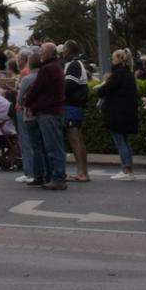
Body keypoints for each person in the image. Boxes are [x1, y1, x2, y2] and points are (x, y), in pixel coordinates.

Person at [23, 42, 67, 190]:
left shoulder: (48, 69)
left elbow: (36, 90)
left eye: (42, 51)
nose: (40, 53)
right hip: (53, 111)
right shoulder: (55, 67)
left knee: (52, 147)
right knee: (55, 146)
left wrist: (27, 103)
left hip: (48, 112)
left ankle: (57, 177)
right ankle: (55, 176)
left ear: (49, 53)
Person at [98, 49, 139, 181]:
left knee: (120, 141)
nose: (112, 60)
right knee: (125, 141)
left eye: (113, 58)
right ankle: (129, 169)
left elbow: (105, 89)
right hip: (127, 113)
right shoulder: (128, 73)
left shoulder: (118, 74)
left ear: (119, 59)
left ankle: (126, 170)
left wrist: (101, 87)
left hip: (117, 114)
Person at [62, 40, 91, 183]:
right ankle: (82, 172)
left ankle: (82, 172)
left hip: (72, 106)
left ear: (68, 50)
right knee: (77, 139)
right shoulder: (76, 64)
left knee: (75, 138)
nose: (62, 52)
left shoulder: (73, 65)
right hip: (74, 105)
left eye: (64, 49)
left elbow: (68, 86)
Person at [14, 50, 41, 184]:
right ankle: (32, 171)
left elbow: (21, 94)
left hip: (23, 109)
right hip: (33, 110)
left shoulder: (25, 73)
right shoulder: (32, 72)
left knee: (25, 142)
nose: (16, 61)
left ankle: (28, 171)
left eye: (18, 58)